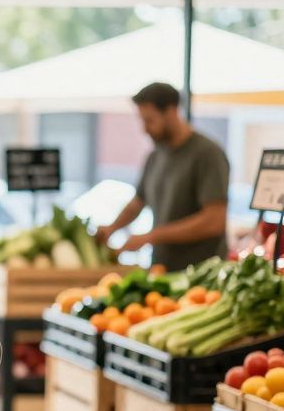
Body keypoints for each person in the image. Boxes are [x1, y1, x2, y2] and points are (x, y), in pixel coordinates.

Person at [96, 82, 230, 271]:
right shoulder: (155, 156)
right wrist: (111, 228)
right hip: (162, 270)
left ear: (171, 111)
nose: (144, 129)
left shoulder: (207, 154)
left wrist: (151, 236)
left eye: (150, 120)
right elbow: (138, 202)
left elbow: (213, 221)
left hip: (199, 275)